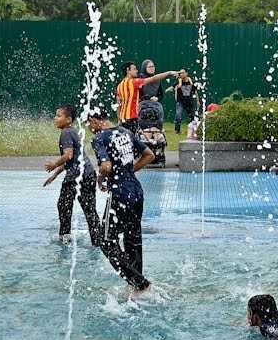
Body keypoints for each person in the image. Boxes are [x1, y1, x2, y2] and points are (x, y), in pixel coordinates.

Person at [87, 107, 155, 291]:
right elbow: (149, 155)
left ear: (95, 121)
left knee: (106, 241)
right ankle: (136, 286)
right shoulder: (125, 131)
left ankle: (140, 284)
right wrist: (129, 171)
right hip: (136, 192)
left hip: (120, 194)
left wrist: (100, 178)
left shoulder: (99, 138)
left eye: (89, 124)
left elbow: (106, 166)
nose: (90, 129)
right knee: (133, 240)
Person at [43, 105, 101, 245]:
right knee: (89, 209)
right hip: (88, 174)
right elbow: (74, 158)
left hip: (76, 176)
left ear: (68, 119)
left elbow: (68, 155)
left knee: (63, 205)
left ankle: (65, 237)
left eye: (58, 116)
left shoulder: (66, 133)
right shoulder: (72, 131)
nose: (55, 118)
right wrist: (55, 175)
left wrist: (54, 164)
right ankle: (98, 239)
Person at [116, 60, 178, 133]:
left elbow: (118, 104)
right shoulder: (134, 82)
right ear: (128, 70)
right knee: (136, 141)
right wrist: (169, 73)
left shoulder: (119, 86)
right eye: (134, 69)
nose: (137, 71)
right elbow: (153, 78)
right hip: (132, 119)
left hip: (123, 119)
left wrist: (119, 120)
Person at [173, 70, 197, 134]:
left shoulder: (191, 81)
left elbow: (195, 91)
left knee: (192, 117)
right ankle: (177, 130)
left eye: (183, 73)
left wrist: (198, 100)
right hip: (180, 102)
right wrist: (179, 84)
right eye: (180, 73)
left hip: (189, 102)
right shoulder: (178, 81)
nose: (181, 74)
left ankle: (193, 131)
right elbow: (175, 88)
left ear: (186, 73)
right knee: (178, 115)